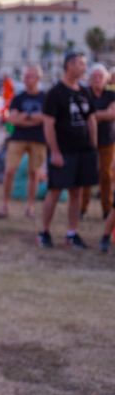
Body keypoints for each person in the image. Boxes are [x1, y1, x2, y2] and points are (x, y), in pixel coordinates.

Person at [38, 52, 98, 249]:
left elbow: (91, 118)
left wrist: (93, 146)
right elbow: (48, 124)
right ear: (69, 66)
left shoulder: (84, 91)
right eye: (81, 63)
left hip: (83, 151)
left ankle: (72, 233)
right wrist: (54, 152)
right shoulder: (56, 93)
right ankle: (44, 232)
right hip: (63, 151)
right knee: (54, 191)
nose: (84, 67)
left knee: (76, 192)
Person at [0, 65, 46, 219]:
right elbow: (12, 119)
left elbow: (45, 118)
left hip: (38, 139)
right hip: (17, 138)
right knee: (9, 171)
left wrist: (25, 117)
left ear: (38, 78)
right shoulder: (18, 98)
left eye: (30, 76)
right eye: (25, 76)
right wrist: (34, 118)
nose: (27, 80)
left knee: (34, 173)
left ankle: (30, 206)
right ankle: (5, 205)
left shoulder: (45, 98)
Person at [80, 64, 115, 219]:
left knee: (106, 175)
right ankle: (82, 207)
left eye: (100, 76)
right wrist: (100, 114)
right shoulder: (84, 94)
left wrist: (93, 116)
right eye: (94, 76)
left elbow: (112, 114)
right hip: (87, 141)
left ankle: (107, 208)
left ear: (106, 79)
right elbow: (83, 115)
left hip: (107, 140)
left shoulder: (111, 94)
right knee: (86, 174)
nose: (97, 79)